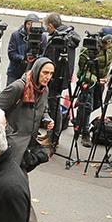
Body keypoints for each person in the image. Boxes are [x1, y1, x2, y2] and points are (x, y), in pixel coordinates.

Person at [0, 57, 55, 222]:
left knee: (7, 185)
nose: (48, 77)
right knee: (20, 186)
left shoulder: (43, 90)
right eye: (45, 72)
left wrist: (46, 119)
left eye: (51, 74)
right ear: (37, 70)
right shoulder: (17, 88)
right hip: (10, 147)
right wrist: (8, 133)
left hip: (26, 147)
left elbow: (42, 110)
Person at [74, 27, 112, 148]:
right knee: (88, 106)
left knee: (97, 104)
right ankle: (85, 133)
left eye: (109, 42)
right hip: (90, 81)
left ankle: (79, 118)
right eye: (104, 42)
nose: (106, 44)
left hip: (102, 80)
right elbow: (82, 71)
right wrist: (96, 80)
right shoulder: (89, 48)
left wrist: (109, 76)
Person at [43, 13, 77, 147]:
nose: (46, 30)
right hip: (63, 78)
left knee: (53, 108)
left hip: (55, 79)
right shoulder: (69, 36)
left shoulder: (59, 39)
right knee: (53, 107)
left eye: (47, 27)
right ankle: (50, 135)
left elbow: (49, 61)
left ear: (51, 26)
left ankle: (53, 139)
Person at [6, 13, 46, 83]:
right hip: (15, 73)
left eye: (32, 24)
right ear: (25, 24)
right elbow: (11, 53)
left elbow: (44, 54)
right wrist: (23, 58)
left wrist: (36, 59)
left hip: (33, 73)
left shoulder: (42, 37)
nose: (30, 27)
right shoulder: (16, 35)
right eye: (28, 24)